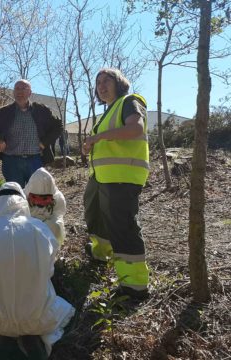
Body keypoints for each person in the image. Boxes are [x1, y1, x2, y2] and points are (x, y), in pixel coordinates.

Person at [0, 182, 75, 359]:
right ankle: (31, 337)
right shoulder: (40, 229)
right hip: (36, 317)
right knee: (62, 308)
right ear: (23, 202)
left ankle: (3, 337)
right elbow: (49, 270)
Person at [82, 68, 150, 300]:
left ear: (119, 82)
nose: (101, 86)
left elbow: (135, 128)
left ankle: (134, 286)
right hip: (101, 177)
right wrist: (91, 144)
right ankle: (100, 254)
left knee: (122, 226)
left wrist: (98, 137)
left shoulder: (130, 101)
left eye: (106, 80)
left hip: (122, 177)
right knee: (95, 215)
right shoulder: (107, 112)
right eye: (98, 82)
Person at [0, 79, 62, 187]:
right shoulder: (3, 112)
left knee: (35, 196)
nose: (20, 92)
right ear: (13, 92)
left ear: (30, 93)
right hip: (11, 162)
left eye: (24, 88)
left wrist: (44, 142)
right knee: (16, 197)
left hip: (35, 160)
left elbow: (58, 126)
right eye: (17, 89)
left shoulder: (41, 110)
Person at [24, 167, 66, 247]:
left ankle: (53, 248)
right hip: (29, 226)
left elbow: (58, 215)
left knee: (56, 226)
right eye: (36, 197)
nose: (40, 203)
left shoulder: (58, 198)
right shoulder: (22, 197)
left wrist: (44, 226)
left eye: (44, 198)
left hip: (48, 224)